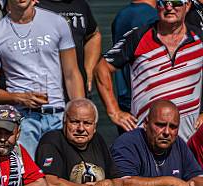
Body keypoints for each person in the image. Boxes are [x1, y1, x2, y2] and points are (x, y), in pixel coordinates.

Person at [0, 0, 84, 157]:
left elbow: (71, 73)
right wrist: (19, 98)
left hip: (58, 114)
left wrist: (79, 114)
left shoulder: (57, 22)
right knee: (25, 176)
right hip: (23, 119)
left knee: (61, 175)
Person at [96, 0, 203, 141]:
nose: (169, 7)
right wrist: (114, 112)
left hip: (188, 142)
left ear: (188, 5)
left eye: (176, 2)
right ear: (156, 5)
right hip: (145, 141)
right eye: (163, 2)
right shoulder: (138, 36)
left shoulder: (199, 38)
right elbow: (101, 68)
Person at [37, 0, 101, 95]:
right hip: (43, 91)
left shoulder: (80, 4)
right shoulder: (32, 6)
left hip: (76, 87)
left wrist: (88, 71)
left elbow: (93, 35)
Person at [110, 1, 157, 128]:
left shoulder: (122, 15)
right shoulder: (152, 16)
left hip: (126, 102)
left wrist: (115, 110)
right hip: (147, 104)